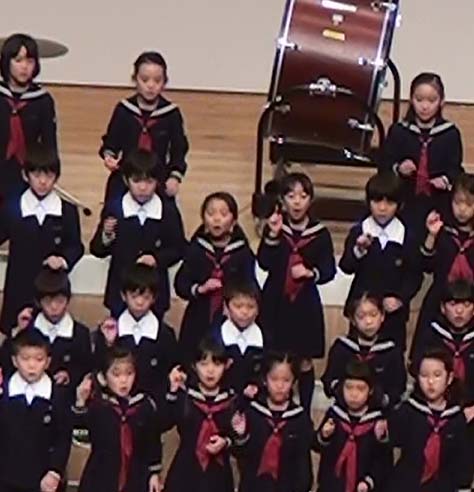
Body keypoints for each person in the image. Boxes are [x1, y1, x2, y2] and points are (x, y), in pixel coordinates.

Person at [258, 172, 336, 413]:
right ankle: (274, 407)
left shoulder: (320, 233)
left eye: (303, 196)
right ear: (282, 200)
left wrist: (311, 273)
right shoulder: (275, 227)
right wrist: (272, 235)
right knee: (274, 356)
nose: (297, 202)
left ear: (310, 199)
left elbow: (329, 270)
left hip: (304, 304)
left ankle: (303, 411)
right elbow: (264, 262)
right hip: (275, 301)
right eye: (291, 196)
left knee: (303, 361)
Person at [90, 148, 185, 318]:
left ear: (157, 182)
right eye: (136, 181)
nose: (142, 187)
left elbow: (179, 248)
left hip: (154, 294)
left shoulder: (168, 211)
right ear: (126, 180)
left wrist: (156, 259)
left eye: (149, 181)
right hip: (120, 293)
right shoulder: (115, 208)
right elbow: (97, 249)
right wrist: (106, 235)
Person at [0, 143, 84, 334]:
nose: (43, 181)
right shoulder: (13, 207)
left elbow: (75, 246)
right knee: (17, 337)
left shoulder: (67, 211)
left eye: (49, 175)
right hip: (19, 286)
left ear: (56, 177)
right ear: (26, 176)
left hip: (51, 288)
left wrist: (62, 260)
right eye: (37, 175)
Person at [339, 172, 422, 349]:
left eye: (389, 203)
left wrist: (400, 298)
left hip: (393, 315)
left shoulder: (407, 236)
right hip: (362, 312)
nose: (382, 208)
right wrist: (359, 250)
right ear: (368, 202)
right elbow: (346, 266)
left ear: (399, 205)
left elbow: (415, 276)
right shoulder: (359, 231)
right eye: (377, 202)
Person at [175, 192, 255, 365]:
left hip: (231, 319)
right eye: (211, 213)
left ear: (234, 221)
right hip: (198, 316)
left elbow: (250, 287)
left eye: (223, 214)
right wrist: (199, 289)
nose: (217, 219)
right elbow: (181, 283)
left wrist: (236, 303)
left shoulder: (242, 252)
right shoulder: (196, 249)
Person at [382, 72, 463, 240]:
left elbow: (456, 168)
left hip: (438, 202)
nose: (425, 106)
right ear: (411, 100)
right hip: (405, 200)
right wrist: (398, 168)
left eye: (431, 101)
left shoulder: (450, 133)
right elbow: (384, 164)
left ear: (441, 102)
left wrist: (446, 179)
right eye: (419, 100)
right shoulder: (399, 131)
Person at [99, 51, 188, 202]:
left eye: (157, 80)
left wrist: (175, 177)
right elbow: (111, 142)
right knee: (112, 211)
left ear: (165, 82)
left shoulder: (171, 113)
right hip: (126, 176)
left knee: (169, 214)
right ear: (135, 79)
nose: (151, 85)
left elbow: (178, 149)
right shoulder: (124, 110)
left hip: (158, 178)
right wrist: (109, 157)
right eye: (145, 79)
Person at [74, 345, 162, 492]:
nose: (124, 380)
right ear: (103, 378)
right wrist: (80, 402)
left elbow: (152, 442)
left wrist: (154, 473)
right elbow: (80, 433)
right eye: (116, 374)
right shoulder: (98, 405)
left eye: (129, 373)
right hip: (100, 476)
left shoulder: (144, 406)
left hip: (136, 476)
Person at [385, 348, 471, 492]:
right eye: (424, 375)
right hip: (406, 484)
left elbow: (462, 458)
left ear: (449, 378)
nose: (430, 382)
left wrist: (464, 487)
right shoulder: (408, 410)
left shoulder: (456, 417)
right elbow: (391, 439)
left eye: (437, 375)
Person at [0, 329, 72, 492]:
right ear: (14, 360)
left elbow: (63, 438)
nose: (31, 365)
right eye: (25, 359)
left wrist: (55, 472)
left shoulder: (58, 395)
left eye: (39, 359)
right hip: (5, 478)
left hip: (45, 481)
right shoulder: (3, 393)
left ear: (47, 362)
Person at [94, 263, 178, 402]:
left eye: (145, 297)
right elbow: (99, 368)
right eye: (134, 296)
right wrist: (109, 344)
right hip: (116, 405)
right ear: (123, 295)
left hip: (153, 406)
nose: (139, 302)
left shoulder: (165, 334)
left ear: (154, 298)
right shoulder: (110, 329)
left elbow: (170, 372)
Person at [163, 337, 238, 492]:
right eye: (204, 364)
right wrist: (172, 392)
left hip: (219, 475)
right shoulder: (185, 396)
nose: (210, 370)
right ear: (194, 366)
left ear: (226, 366)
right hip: (185, 472)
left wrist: (226, 442)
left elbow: (240, 438)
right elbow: (164, 422)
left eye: (217, 364)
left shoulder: (231, 400)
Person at [231, 351, 313, 492]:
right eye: (274, 379)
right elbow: (241, 454)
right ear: (265, 380)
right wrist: (240, 436)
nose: (280, 386)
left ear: (294, 382)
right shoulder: (253, 412)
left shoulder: (299, 418)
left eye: (286, 380)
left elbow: (303, 463)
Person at [411, 173, 474, 356]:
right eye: (457, 203)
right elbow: (425, 265)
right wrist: (431, 235)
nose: (462, 209)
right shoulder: (442, 230)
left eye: (469, 204)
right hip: (441, 298)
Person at [4, 267, 92, 396]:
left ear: (68, 300)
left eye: (59, 301)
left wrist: (70, 375)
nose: (54, 307)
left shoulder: (80, 333)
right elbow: (6, 362)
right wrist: (18, 332)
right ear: (39, 302)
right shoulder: (28, 326)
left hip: (64, 397)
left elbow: (85, 367)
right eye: (48, 301)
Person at [315, 360, 390, 492]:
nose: (354, 394)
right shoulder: (334, 414)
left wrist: (369, 481)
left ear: (370, 390)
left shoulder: (377, 421)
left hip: (363, 486)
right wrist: (324, 436)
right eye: (349, 387)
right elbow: (316, 446)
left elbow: (383, 460)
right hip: (333, 485)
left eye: (360, 389)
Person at [322, 292, 406, 410]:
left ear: (382, 316)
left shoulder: (391, 350)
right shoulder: (342, 347)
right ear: (353, 320)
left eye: (373, 315)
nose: (368, 321)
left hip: (380, 412)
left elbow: (398, 386)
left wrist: (382, 399)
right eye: (361, 316)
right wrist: (343, 393)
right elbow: (329, 381)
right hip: (345, 410)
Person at [0, 33, 58, 199]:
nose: (24, 67)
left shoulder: (43, 100)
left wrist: (49, 173)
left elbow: (49, 142)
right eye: (18, 60)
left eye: (30, 61)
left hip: (27, 172)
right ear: (6, 62)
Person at [213, 278, 264, 397]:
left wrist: (257, 386)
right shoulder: (215, 338)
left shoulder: (265, 340)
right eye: (238, 306)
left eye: (251, 307)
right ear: (226, 308)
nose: (244, 312)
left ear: (258, 310)